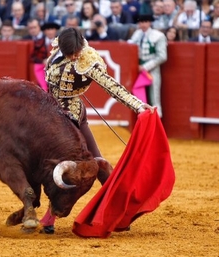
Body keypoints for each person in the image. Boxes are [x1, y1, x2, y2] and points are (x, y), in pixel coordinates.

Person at [40, 27, 155, 234]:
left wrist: (138, 106)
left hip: (71, 118)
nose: (74, 56)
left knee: (86, 166)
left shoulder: (87, 60)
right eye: (70, 53)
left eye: (76, 52)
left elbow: (111, 86)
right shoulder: (59, 48)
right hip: (51, 118)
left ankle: (119, 214)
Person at [128, 14, 167, 117]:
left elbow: (162, 56)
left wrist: (145, 67)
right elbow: (129, 47)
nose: (143, 24)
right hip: (138, 70)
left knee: (154, 97)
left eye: (145, 22)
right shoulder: (137, 34)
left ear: (150, 22)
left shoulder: (158, 36)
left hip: (152, 70)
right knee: (139, 98)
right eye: (141, 22)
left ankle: (156, 123)